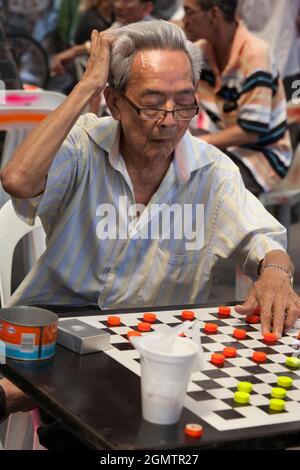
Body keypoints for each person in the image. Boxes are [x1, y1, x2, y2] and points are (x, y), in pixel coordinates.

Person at [0, 20, 299, 429]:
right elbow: (18, 180)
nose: (170, 120)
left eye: (184, 103)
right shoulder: (82, 145)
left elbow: (262, 238)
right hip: (56, 329)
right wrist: (86, 84)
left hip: (148, 343)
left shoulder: (211, 171)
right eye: (152, 103)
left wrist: (277, 275)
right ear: (115, 102)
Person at [183, 0, 292, 196]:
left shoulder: (255, 55)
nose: (184, 20)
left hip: (260, 158)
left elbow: (251, 131)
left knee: (196, 186)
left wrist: (198, 143)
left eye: (189, 12)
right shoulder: (201, 53)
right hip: (226, 147)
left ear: (214, 14)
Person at [51, 0, 154, 75]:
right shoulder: (121, 23)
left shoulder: (154, 34)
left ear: (147, 7)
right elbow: (109, 41)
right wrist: (75, 51)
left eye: (126, 1)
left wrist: (75, 51)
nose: (118, 5)